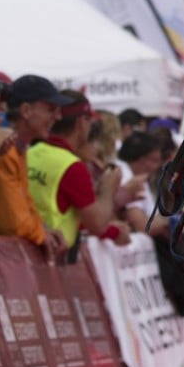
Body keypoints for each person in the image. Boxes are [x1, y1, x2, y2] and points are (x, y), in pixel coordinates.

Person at [0, 75, 72, 258]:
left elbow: (23, 204)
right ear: (26, 110)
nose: (58, 116)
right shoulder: (2, 149)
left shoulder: (16, 147)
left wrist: (43, 229)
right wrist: (42, 234)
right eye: (51, 109)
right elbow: (13, 223)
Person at [28, 90, 131, 259]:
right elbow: (97, 224)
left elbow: (75, 217)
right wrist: (107, 189)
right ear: (82, 123)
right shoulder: (72, 166)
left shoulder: (30, 152)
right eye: (90, 122)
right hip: (51, 257)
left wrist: (113, 230)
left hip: (32, 251)